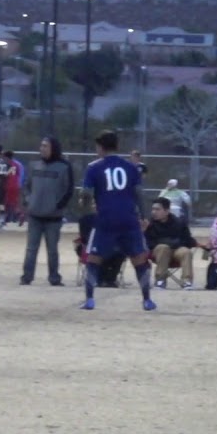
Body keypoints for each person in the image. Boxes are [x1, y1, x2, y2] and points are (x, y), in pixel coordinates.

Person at [79, 130, 155, 311]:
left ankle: (90, 299)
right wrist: (144, 216)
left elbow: (87, 194)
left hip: (106, 219)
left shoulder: (94, 167)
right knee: (139, 259)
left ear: (100, 147)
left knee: (93, 258)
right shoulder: (131, 167)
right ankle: (147, 300)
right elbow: (139, 194)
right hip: (128, 219)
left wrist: (86, 206)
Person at [20, 137, 74, 286]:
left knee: (52, 250)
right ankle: (27, 277)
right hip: (35, 216)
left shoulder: (64, 167)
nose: (42, 149)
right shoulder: (34, 165)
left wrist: (58, 206)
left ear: (53, 148)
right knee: (31, 249)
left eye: (45, 146)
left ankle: (54, 278)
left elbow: (69, 189)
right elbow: (26, 186)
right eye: (41, 146)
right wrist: (28, 200)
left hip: (53, 217)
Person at [143, 197, 196, 289]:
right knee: (163, 248)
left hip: (176, 250)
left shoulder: (179, 223)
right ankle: (160, 280)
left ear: (167, 211)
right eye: (153, 209)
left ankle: (187, 281)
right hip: (158, 252)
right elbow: (148, 242)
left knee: (186, 252)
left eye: (157, 209)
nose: (154, 212)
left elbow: (187, 240)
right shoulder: (149, 224)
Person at [2, 149, 25, 227]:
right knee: (14, 203)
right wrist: (20, 184)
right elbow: (21, 174)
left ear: (7, 157)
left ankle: (4, 219)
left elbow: (5, 175)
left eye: (4, 157)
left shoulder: (7, 164)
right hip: (16, 185)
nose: (3, 159)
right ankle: (20, 215)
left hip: (9, 185)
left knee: (6, 202)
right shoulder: (18, 164)